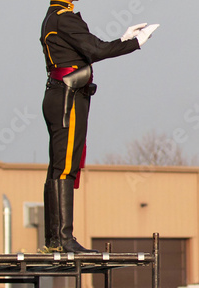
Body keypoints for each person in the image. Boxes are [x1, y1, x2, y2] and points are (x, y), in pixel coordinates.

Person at [40, 0, 159, 253]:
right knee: (64, 167)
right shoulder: (64, 18)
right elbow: (96, 50)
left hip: (62, 95)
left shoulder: (54, 17)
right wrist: (133, 43)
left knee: (59, 167)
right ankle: (62, 239)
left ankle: (55, 240)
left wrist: (121, 39)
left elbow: (88, 49)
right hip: (68, 97)